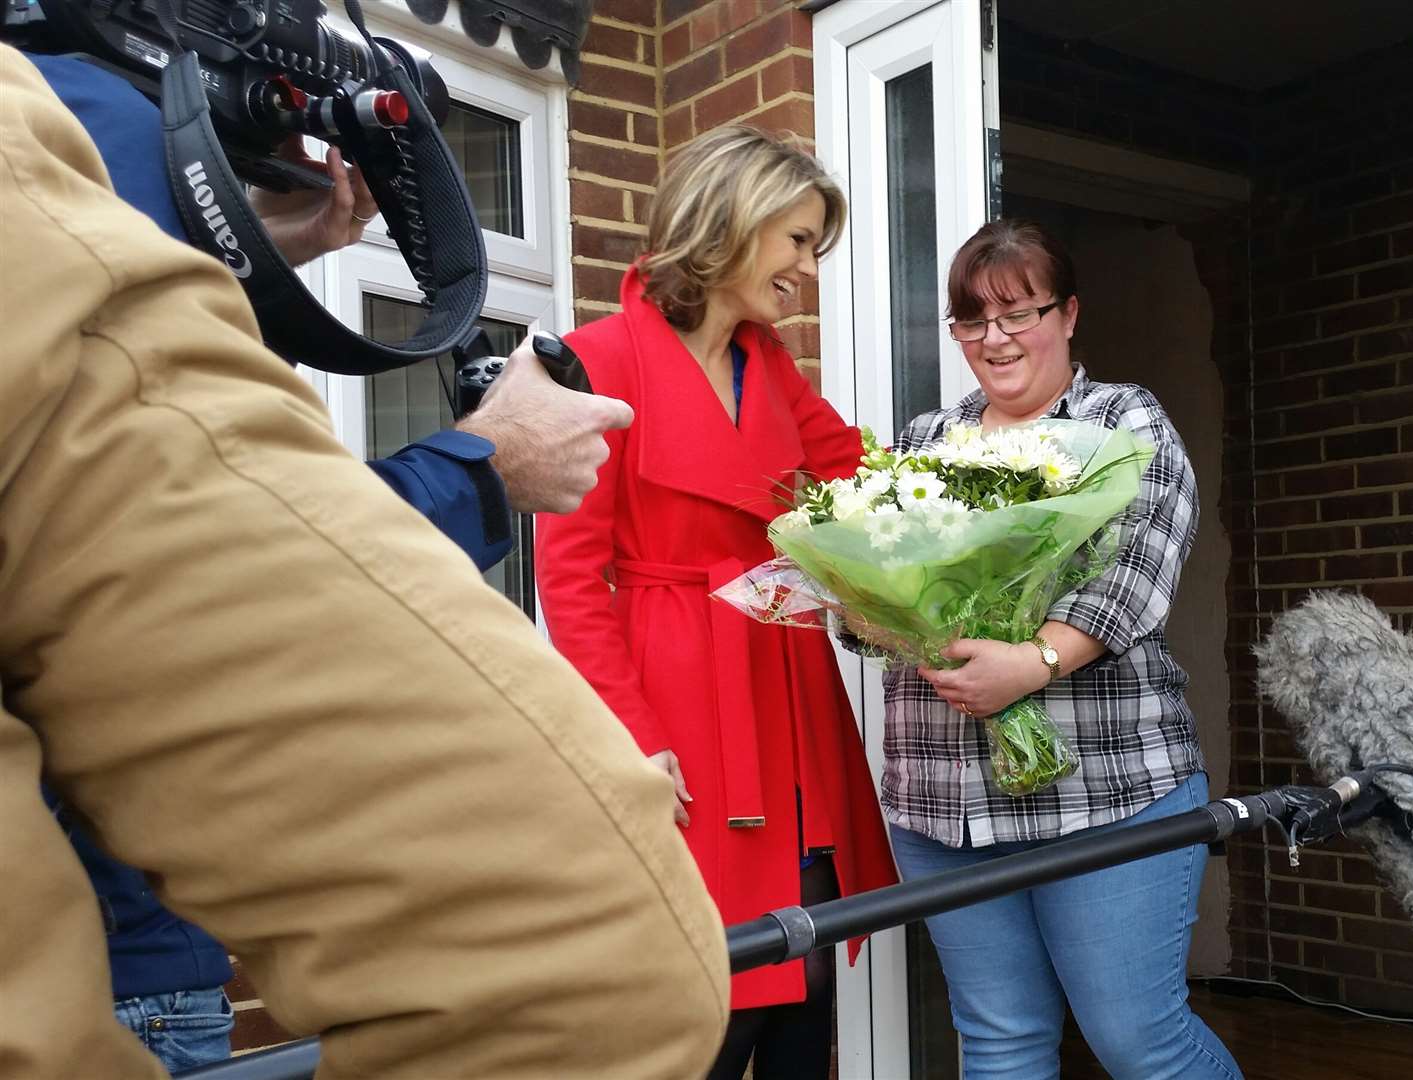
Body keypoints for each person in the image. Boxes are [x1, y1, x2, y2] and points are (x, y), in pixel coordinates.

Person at [0, 45, 728, 1080]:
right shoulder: (49, 123)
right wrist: (488, 465)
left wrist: (237, 259)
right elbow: (221, 563)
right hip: (130, 961)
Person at [535, 124, 899, 1080]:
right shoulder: (598, 358)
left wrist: (974, 507)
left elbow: (859, 486)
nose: (807, 270)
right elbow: (571, 577)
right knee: (712, 996)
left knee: (807, 979)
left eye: (814, 247)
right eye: (798, 241)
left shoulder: (766, 364)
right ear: (735, 219)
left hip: (786, 686)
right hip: (679, 696)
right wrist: (632, 732)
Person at [881, 219, 1242, 1080]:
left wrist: (1032, 663)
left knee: (1137, 1041)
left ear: (1068, 314)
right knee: (1000, 1042)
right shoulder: (924, 444)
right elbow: (881, 588)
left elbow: (1137, 575)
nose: (994, 339)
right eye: (972, 321)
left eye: (1018, 314)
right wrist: (869, 609)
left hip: (1107, 790)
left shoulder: (1123, 422)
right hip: (944, 803)